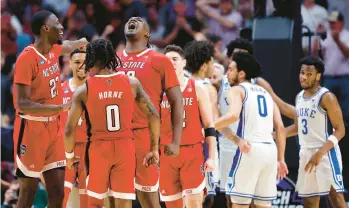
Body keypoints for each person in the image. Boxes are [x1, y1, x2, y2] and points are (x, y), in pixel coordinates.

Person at [64, 38, 160, 207]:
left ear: (91, 58)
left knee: (95, 202)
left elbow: (69, 130)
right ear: (112, 56)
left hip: (98, 148)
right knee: (123, 202)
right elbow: (153, 115)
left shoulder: (83, 90)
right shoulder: (131, 83)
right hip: (125, 147)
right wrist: (153, 148)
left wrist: (70, 156)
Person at [12, 10, 87, 207]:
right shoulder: (27, 58)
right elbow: (22, 104)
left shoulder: (54, 50)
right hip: (31, 129)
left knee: (57, 193)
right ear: (45, 28)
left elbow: (70, 46)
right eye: (57, 23)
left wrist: (85, 41)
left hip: (53, 131)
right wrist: (60, 107)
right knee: (28, 193)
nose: (62, 27)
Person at [116, 16, 184, 208]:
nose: (132, 20)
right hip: (115, 136)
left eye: (138, 20)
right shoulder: (113, 59)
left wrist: (176, 140)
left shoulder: (160, 60)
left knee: (148, 198)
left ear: (147, 33)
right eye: (129, 19)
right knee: (117, 197)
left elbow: (177, 101)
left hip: (144, 135)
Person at [215, 52, 288, 208]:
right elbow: (280, 128)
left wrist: (211, 125)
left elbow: (233, 115)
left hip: (250, 149)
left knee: (239, 204)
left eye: (231, 69)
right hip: (270, 151)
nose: (227, 73)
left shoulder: (237, 90)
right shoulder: (267, 93)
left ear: (241, 73)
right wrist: (281, 159)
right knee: (263, 205)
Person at [284, 56, 346, 208]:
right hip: (306, 152)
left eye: (309, 73)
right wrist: (274, 135)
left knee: (336, 199)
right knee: (310, 202)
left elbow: (340, 130)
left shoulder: (327, 97)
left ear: (318, 76)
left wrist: (319, 154)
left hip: (325, 152)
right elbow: (298, 128)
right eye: (302, 72)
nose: (304, 77)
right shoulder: (299, 97)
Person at [159, 45, 216, 208]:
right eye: (167, 60)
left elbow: (209, 126)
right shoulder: (157, 91)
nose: (171, 63)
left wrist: (211, 157)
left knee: (194, 205)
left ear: (183, 62)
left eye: (174, 59)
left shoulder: (197, 88)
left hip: (192, 153)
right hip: (167, 154)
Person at [183, 40, 219, 207]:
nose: (214, 66)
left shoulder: (182, 82)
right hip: (202, 146)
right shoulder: (206, 87)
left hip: (182, 146)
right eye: (212, 63)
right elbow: (213, 123)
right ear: (205, 65)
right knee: (206, 198)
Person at [61, 48, 88, 208]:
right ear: (69, 63)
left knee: (88, 203)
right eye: (77, 62)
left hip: (89, 150)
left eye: (85, 62)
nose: (81, 66)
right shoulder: (59, 90)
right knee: (58, 199)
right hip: (63, 151)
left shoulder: (96, 89)